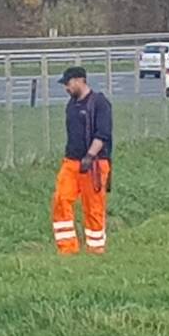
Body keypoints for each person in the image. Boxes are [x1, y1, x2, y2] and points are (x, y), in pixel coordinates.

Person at [52, 66, 113, 255]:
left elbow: (103, 134)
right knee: (61, 199)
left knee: (93, 207)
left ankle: (96, 248)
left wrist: (90, 156)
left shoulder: (99, 103)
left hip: (94, 164)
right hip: (71, 162)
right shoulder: (72, 105)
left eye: (68, 83)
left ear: (80, 80)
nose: (66, 88)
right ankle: (67, 248)